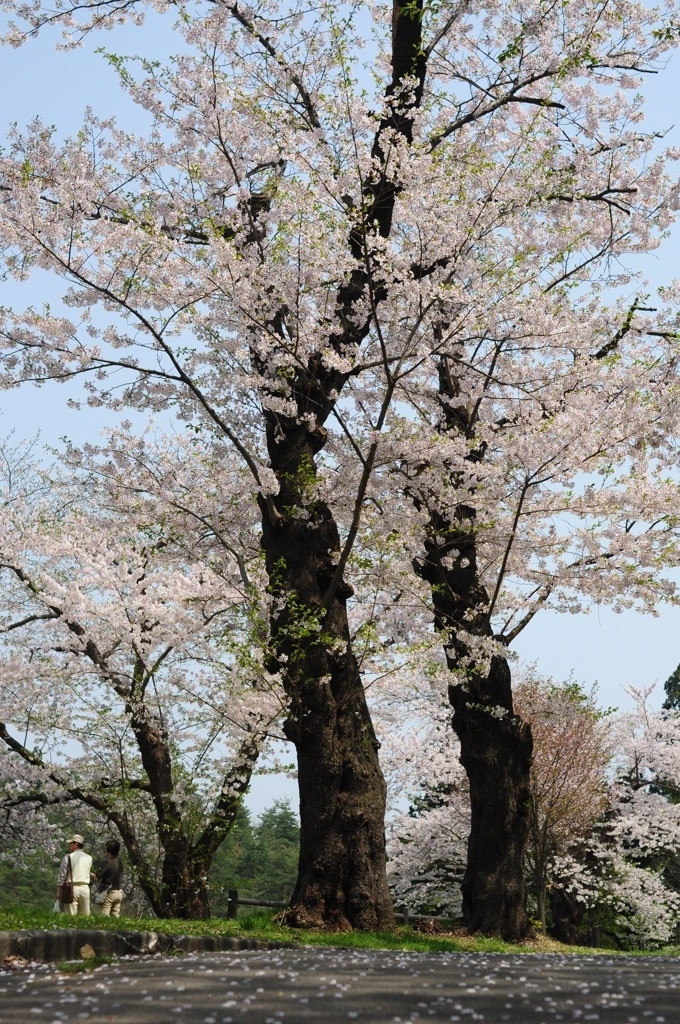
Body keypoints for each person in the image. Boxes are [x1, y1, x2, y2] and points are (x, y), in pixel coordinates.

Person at [56, 834, 93, 915]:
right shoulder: (89, 858)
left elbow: (62, 875)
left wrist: (59, 890)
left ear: (76, 844)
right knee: (85, 915)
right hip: (85, 888)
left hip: (72, 888)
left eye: (71, 843)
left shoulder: (68, 857)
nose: (69, 845)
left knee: (71, 915)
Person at [94, 840, 124, 918]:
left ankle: (105, 930)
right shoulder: (120, 862)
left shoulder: (108, 863)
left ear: (108, 850)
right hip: (119, 892)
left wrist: (88, 873)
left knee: (105, 915)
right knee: (115, 915)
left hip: (110, 893)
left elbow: (97, 877)